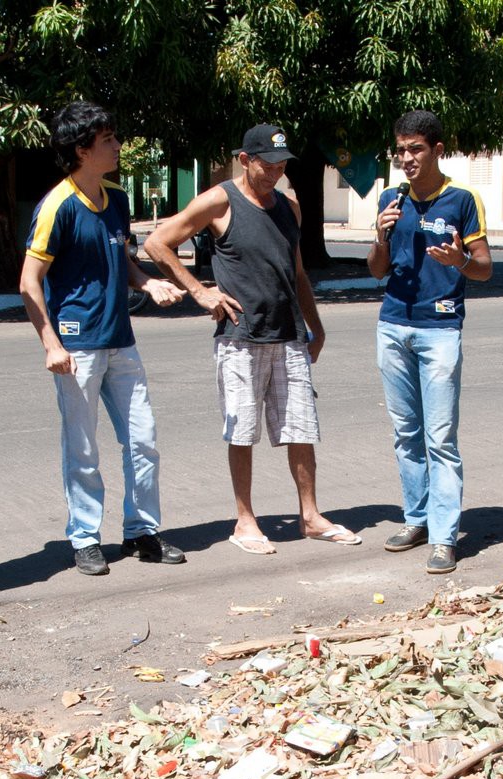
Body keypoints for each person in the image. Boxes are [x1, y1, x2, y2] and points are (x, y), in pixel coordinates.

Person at [144, 123, 360, 555]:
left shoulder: (289, 208)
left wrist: (314, 325)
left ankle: (311, 516)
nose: (276, 172)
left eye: (282, 164)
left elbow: (297, 273)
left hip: (289, 334)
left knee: (301, 427)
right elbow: (157, 243)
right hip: (240, 336)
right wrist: (200, 291)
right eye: (268, 163)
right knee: (242, 430)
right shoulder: (220, 201)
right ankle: (245, 521)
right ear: (245, 159)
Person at [19, 100, 185, 576]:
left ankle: (142, 532)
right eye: (108, 139)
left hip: (121, 339)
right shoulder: (57, 206)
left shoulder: (116, 198)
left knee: (143, 439)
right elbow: (30, 282)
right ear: (81, 149)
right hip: (77, 345)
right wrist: (51, 342)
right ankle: (86, 537)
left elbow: (121, 258)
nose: (117, 146)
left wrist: (147, 282)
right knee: (83, 447)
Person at [367, 109, 492, 575]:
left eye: (415, 149)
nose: (407, 159)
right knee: (406, 434)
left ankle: (444, 538)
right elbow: (377, 270)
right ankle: (415, 519)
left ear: (438, 150)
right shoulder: (390, 198)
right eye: (400, 150)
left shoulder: (461, 199)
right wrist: (380, 235)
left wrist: (459, 260)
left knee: (440, 438)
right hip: (393, 323)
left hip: (440, 329)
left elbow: (484, 267)